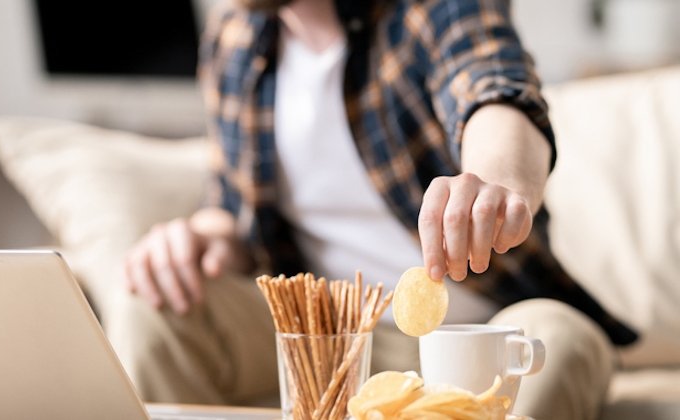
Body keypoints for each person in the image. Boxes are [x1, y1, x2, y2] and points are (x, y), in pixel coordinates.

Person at [110, 0, 639, 419]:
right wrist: (205, 237)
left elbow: (495, 90)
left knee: (556, 341)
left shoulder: (429, 8)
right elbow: (231, 205)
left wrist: (494, 182)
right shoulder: (233, 36)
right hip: (330, 341)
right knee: (156, 309)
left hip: (482, 327)